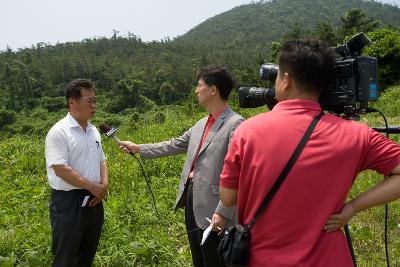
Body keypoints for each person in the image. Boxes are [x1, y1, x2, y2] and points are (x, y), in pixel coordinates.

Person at [219, 40, 400, 266]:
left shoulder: (248, 131)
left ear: (286, 80)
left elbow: (228, 198)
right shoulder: (357, 135)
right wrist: (353, 207)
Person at [119, 65, 244, 267]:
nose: (196, 90)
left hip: (215, 206)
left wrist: (223, 211)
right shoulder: (201, 124)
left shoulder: (235, 123)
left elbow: (237, 173)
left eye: (199, 85)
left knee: (215, 259)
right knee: (199, 257)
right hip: (193, 199)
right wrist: (139, 148)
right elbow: (175, 144)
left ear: (213, 89)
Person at [45, 79, 108, 267]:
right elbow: (60, 169)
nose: (94, 105)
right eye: (89, 101)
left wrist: (103, 185)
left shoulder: (93, 131)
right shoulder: (59, 132)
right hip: (68, 202)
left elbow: (102, 160)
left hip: (94, 200)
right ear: (72, 102)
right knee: (65, 256)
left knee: (86, 254)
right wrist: (93, 187)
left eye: (95, 100)